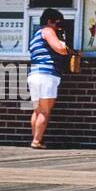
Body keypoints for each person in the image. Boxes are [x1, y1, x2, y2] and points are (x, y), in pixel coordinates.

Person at [26, 8, 72, 149]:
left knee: (37, 110)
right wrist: (68, 47)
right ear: (49, 21)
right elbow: (59, 48)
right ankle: (36, 141)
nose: (58, 27)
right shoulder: (47, 31)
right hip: (47, 74)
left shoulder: (35, 35)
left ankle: (36, 139)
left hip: (34, 74)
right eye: (57, 23)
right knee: (45, 111)